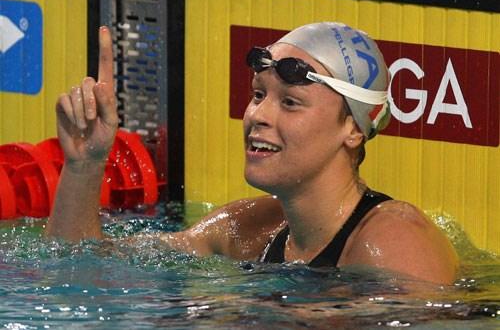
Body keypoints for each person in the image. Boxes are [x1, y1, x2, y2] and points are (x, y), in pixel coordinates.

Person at [46, 23, 458, 284]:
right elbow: (80, 266)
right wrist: (85, 164)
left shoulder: (393, 245)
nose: (257, 115)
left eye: (291, 102)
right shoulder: (247, 227)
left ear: (352, 128)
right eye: (258, 95)